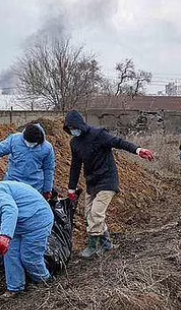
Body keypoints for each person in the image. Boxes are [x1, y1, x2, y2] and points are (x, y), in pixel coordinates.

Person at [63, 110, 155, 258]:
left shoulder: (98, 135)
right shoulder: (75, 143)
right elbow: (75, 166)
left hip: (107, 179)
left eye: (74, 127)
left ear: (80, 125)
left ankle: (93, 247)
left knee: (96, 213)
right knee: (89, 215)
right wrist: (71, 189)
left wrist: (138, 150)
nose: (72, 130)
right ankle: (107, 245)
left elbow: (118, 142)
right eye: (69, 128)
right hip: (92, 182)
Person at [0, 123, 56, 198]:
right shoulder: (14, 140)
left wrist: (47, 190)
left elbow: (49, 169)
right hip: (13, 184)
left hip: (34, 188)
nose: (30, 145)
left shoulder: (47, 148)